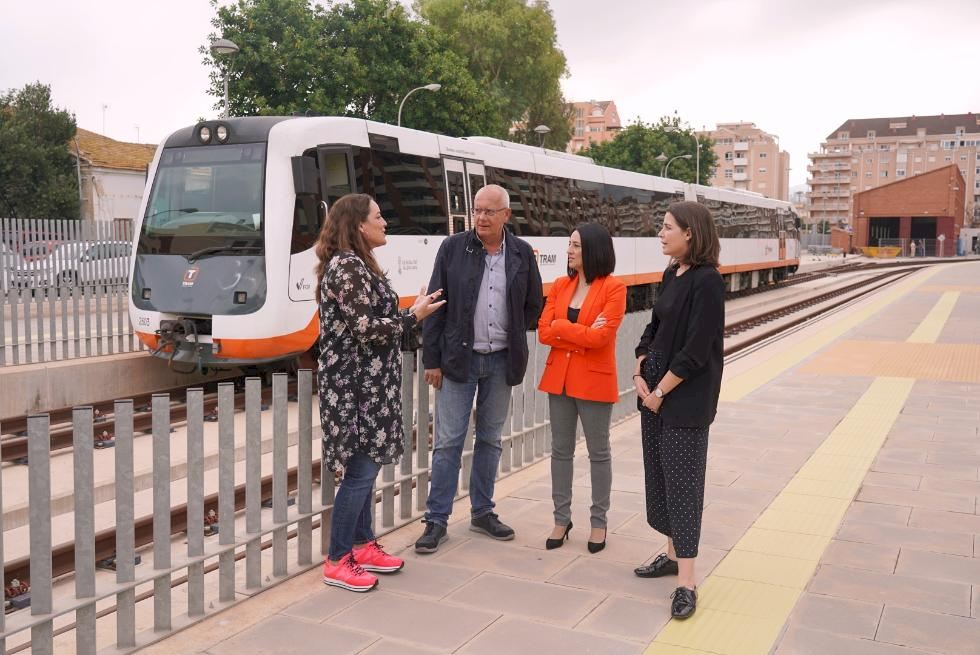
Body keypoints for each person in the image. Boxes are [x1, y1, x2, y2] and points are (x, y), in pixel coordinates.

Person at [316, 193, 445, 592]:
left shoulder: (358, 264)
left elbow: (374, 322)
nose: (385, 222)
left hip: (368, 385)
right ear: (359, 224)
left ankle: (361, 545)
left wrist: (411, 313)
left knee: (364, 469)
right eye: (378, 215)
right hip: (353, 388)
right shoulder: (346, 266)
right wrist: (413, 316)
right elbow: (365, 328)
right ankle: (338, 559)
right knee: (361, 471)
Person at [415, 184, 544, 553]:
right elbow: (435, 305)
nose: (482, 217)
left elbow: (534, 303)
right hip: (459, 360)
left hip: (502, 359)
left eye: (490, 211)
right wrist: (432, 360)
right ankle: (436, 520)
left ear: (506, 215)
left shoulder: (521, 252)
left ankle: (482, 512)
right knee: (448, 442)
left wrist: (512, 331)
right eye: (478, 210)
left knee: (490, 439)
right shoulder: (453, 248)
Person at [632, 201, 724, 621]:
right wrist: (640, 363)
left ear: (690, 233)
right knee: (662, 480)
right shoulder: (672, 273)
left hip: (683, 401)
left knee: (684, 488)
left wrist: (660, 391)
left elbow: (697, 349)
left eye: (667, 227)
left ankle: (687, 581)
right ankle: (671, 556)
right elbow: (655, 327)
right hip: (653, 393)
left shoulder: (708, 281)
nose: (660, 233)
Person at [537, 224, 625, 554]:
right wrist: (576, 330)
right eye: (569, 244)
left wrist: (562, 328)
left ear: (593, 249)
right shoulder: (561, 285)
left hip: (594, 381)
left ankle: (599, 523)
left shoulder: (614, 289)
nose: (569, 250)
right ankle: (561, 520)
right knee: (560, 451)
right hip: (559, 379)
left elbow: (602, 338)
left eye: (575, 245)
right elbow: (543, 331)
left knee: (598, 453)